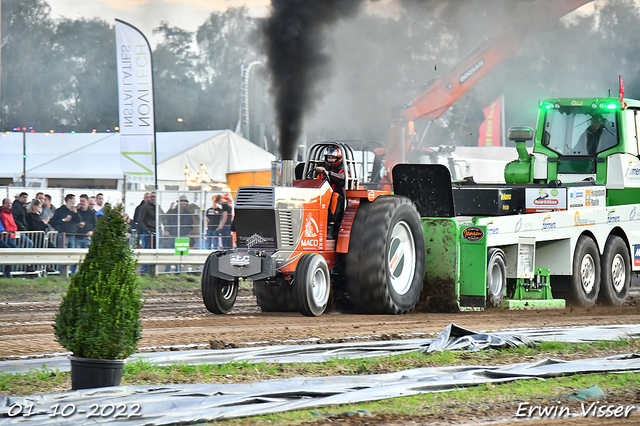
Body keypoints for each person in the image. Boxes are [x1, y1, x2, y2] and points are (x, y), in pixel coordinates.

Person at [315, 146, 346, 238]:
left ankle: (330, 227)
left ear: (338, 159)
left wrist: (328, 174)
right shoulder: (321, 169)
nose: (330, 160)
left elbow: (342, 178)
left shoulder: (343, 168)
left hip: (339, 197)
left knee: (335, 197)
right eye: (329, 158)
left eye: (332, 158)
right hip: (324, 195)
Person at [137, 192, 162, 274]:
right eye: (151, 197)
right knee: (146, 250)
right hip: (148, 233)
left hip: (156, 232)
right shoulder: (145, 207)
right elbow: (140, 220)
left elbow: (162, 217)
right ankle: (144, 269)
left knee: (156, 251)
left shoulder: (157, 207)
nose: (153, 198)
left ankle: (153, 269)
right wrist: (147, 231)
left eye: (154, 196)